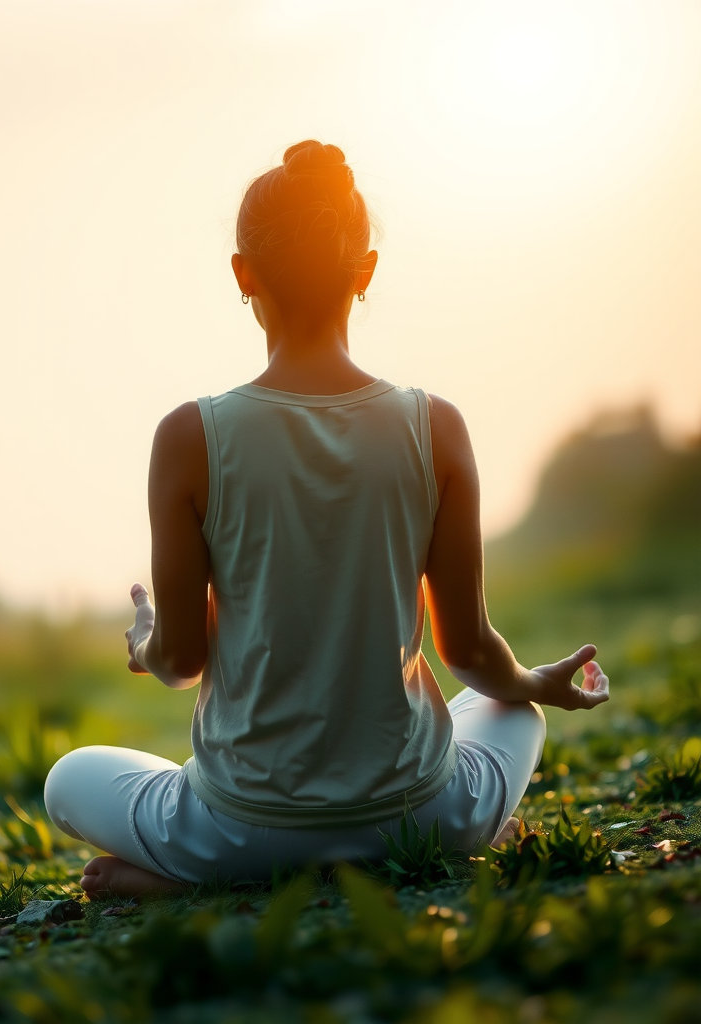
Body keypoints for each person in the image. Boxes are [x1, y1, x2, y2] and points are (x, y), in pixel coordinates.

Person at [44, 140, 610, 899]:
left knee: (69, 778)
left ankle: (211, 877)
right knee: (514, 712)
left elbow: (180, 665)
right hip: (423, 815)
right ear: (365, 270)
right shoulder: (433, 426)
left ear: (243, 274)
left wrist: (148, 642)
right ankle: (409, 856)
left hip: (237, 829)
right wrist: (535, 682)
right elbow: (470, 650)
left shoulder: (190, 436)